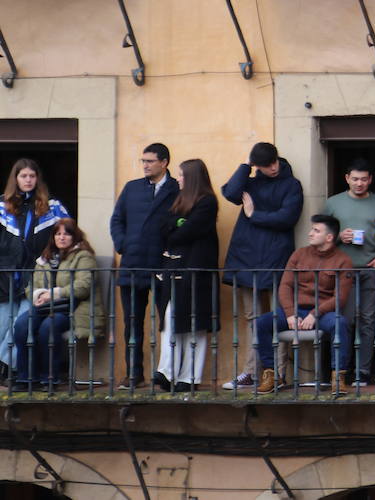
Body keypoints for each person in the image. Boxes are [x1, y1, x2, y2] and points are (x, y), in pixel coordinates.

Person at [220, 142, 304, 391]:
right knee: (252, 318)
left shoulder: (292, 185)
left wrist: (253, 215)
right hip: (247, 258)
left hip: (277, 258)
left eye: (275, 161)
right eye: (266, 165)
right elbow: (230, 193)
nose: (273, 167)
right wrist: (246, 165)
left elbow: (287, 218)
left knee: (279, 318)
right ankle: (251, 372)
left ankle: (277, 374)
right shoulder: (251, 181)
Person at [254, 215, 354, 394]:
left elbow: (340, 298)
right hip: (296, 310)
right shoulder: (299, 254)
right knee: (262, 323)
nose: (310, 233)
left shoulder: (343, 260)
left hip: (323, 313)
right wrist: (291, 313)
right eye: (312, 229)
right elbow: (285, 286)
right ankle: (271, 375)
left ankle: (338, 377)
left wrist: (315, 314)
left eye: (316, 230)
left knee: (341, 324)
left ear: (329, 237)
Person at [109, 142, 179, 390]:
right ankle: (134, 373)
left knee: (167, 322)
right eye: (143, 161)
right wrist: (123, 244)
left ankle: (166, 374)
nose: (145, 165)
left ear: (164, 162)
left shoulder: (176, 189)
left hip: (162, 265)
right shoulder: (132, 188)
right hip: (132, 263)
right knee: (132, 322)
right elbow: (117, 220)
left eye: (150, 161)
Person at [11, 219, 102, 389]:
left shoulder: (83, 256)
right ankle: (27, 378)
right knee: (22, 325)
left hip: (72, 308)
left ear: (74, 236)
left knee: (48, 327)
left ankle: (49, 378)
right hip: (44, 306)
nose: (62, 237)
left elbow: (83, 286)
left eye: (66, 234)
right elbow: (32, 286)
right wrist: (37, 295)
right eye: (58, 234)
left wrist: (53, 293)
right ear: (53, 237)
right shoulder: (45, 259)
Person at [0, 159, 70, 378]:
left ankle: (9, 369)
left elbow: (69, 235)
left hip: (37, 278)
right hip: (4, 278)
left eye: (32, 176)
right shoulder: (2, 206)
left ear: (37, 178)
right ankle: (9, 369)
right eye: (23, 176)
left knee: (20, 326)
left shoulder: (52, 207)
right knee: (2, 328)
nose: (28, 180)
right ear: (15, 179)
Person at [323, 159, 375, 386]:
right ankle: (342, 371)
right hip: (344, 271)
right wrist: (340, 237)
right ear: (347, 179)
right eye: (355, 179)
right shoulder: (333, 203)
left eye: (364, 179)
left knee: (369, 321)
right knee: (345, 320)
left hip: (372, 269)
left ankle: (363, 372)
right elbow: (322, 236)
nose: (359, 183)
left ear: (370, 179)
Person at [155, 158, 219, 392]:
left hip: (197, 270)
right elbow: (164, 226)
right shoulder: (178, 199)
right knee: (171, 318)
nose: (178, 179)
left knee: (194, 325)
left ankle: (189, 377)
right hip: (174, 270)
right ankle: (166, 372)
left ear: (191, 178)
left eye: (181, 175)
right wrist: (178, 224)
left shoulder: (207, 202)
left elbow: (187, 232)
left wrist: (177, 226)